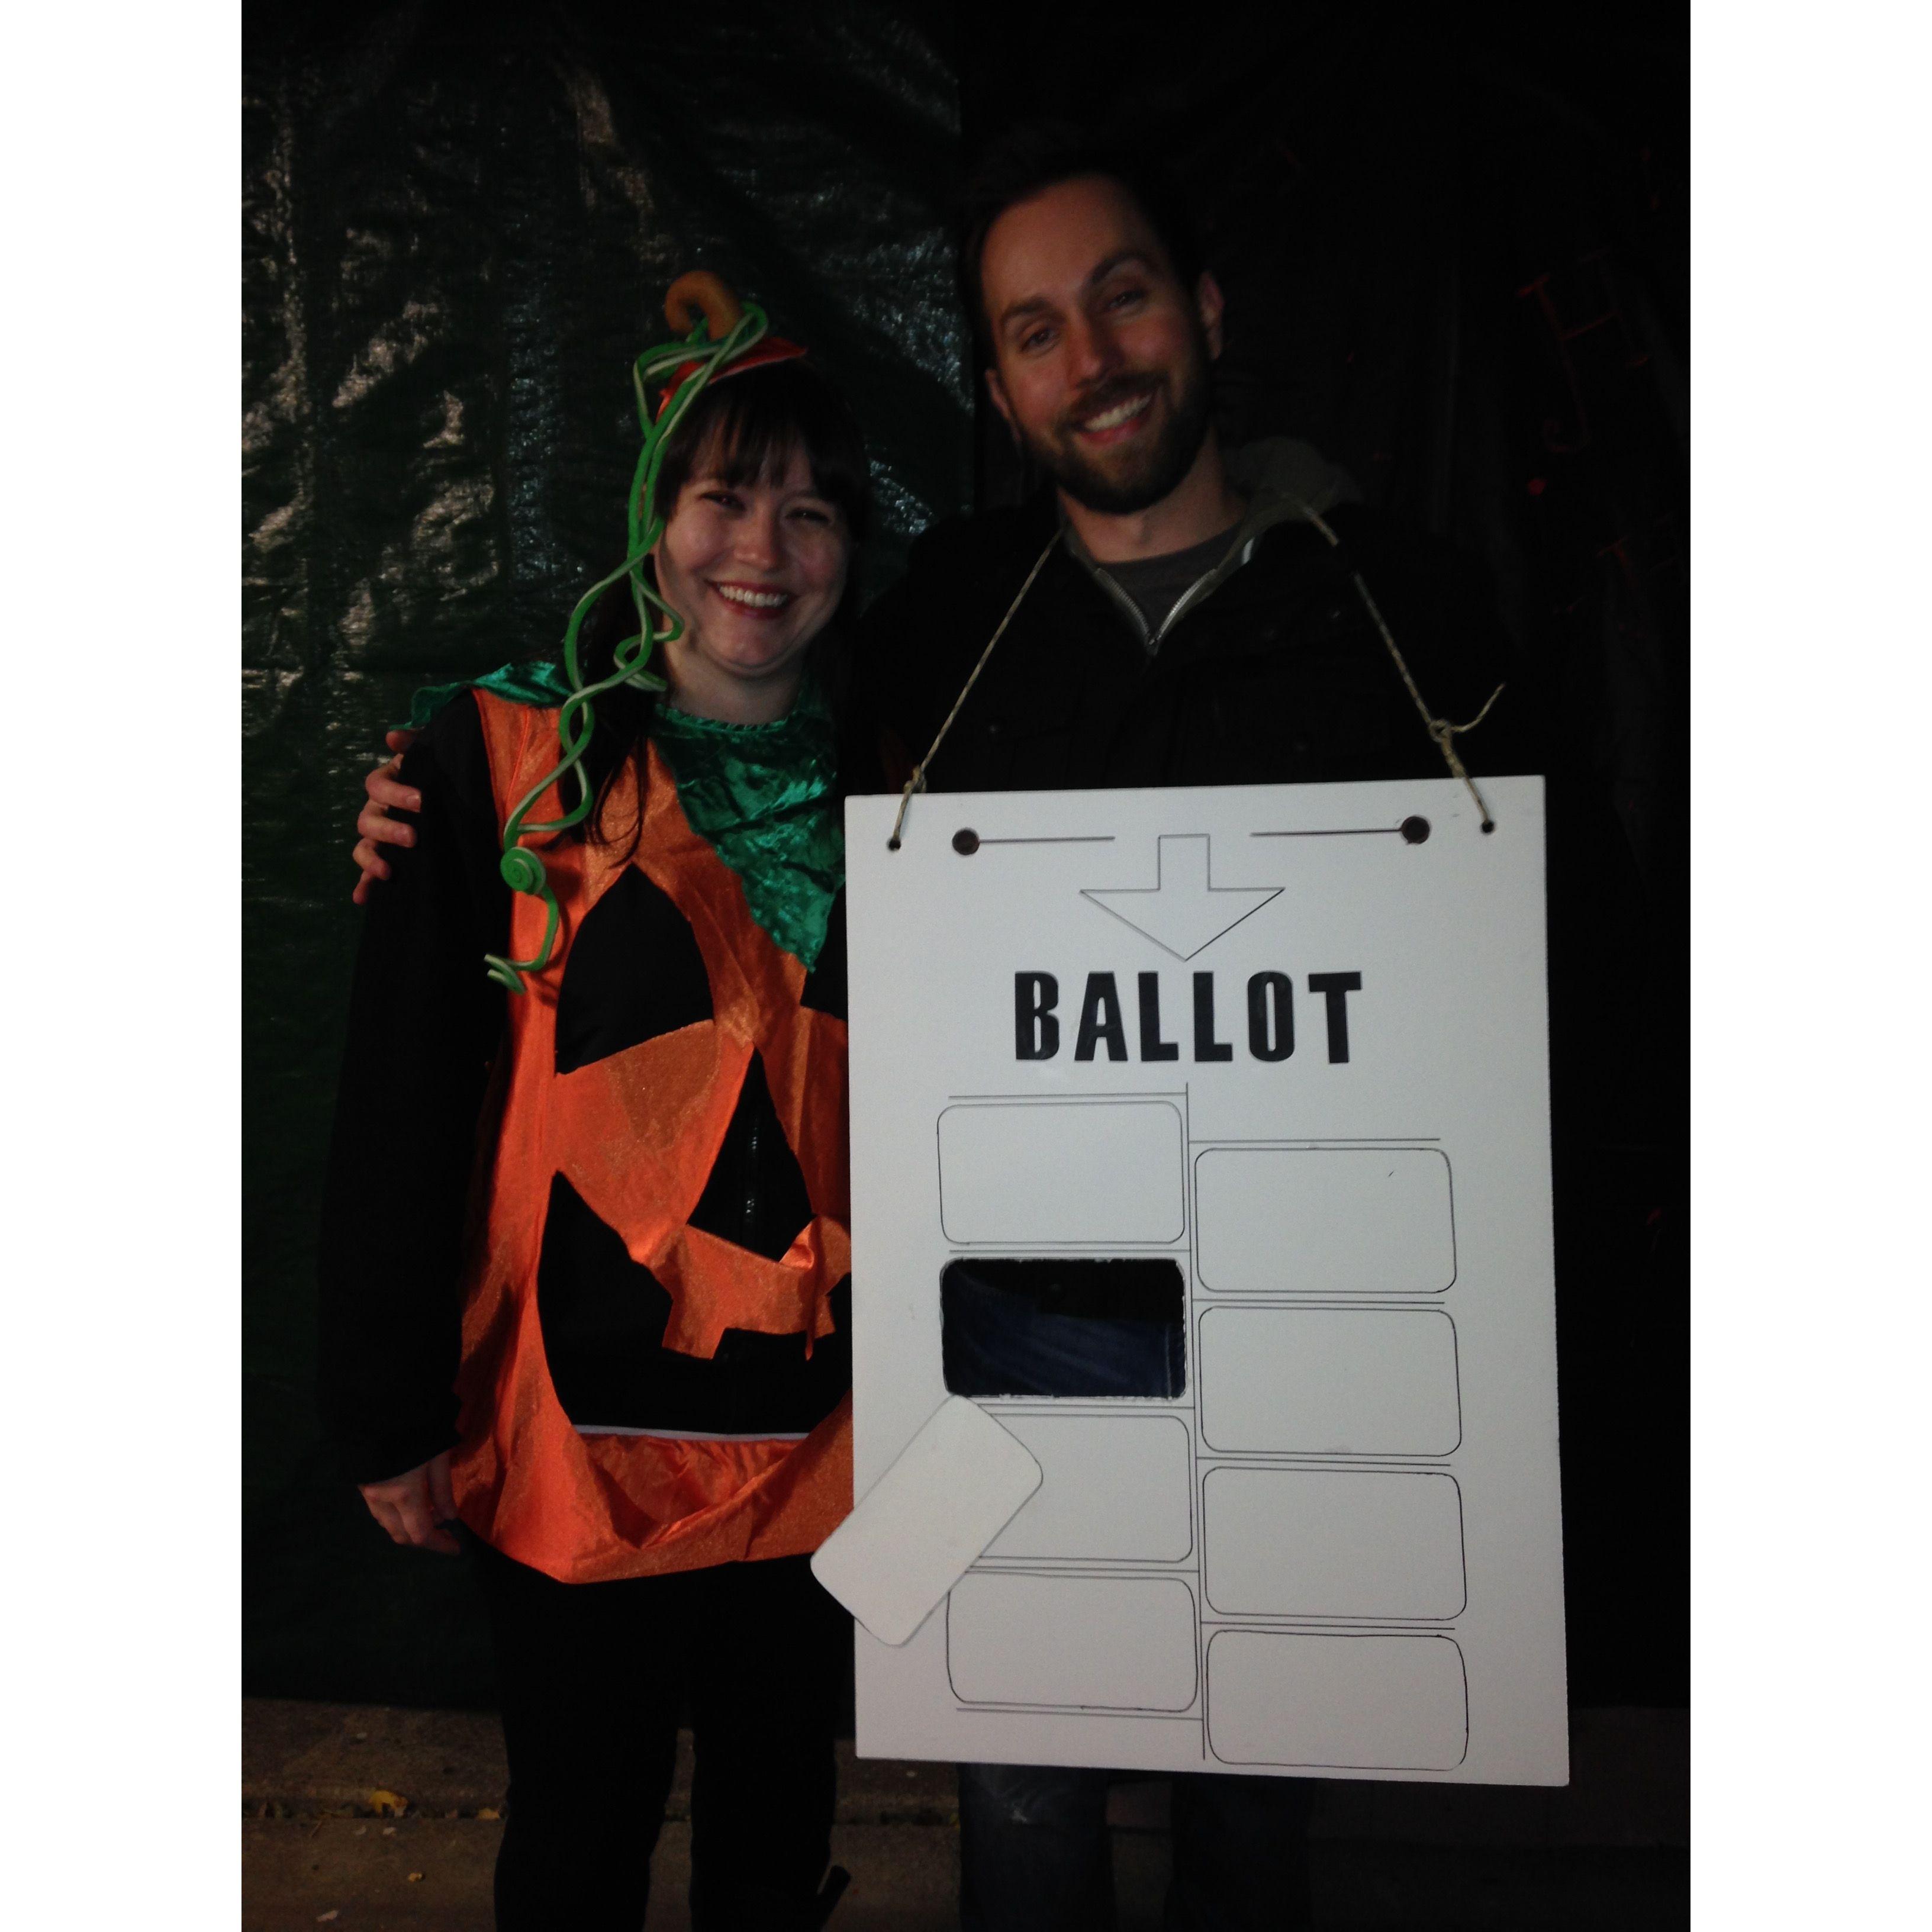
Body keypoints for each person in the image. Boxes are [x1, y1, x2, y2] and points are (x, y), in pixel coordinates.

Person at [352, 125, 1566, 1932]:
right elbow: (689, 689)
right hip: (1012, 1344)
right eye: (1033, 330)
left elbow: (1529, 963)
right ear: (996, 389)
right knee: (1020, 1785)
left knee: (1253, 1805)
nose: (1094, 360)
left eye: (1123, 299)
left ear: (1206, 307)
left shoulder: (1403, 610)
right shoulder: (958, 630)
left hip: (1316, 1309)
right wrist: (425, 804)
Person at [320, 322, 871, 1932]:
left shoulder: (914, 778)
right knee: (577, 1831)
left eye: (810, 511)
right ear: (653, 518)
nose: (762, 550)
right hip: (574, 1432)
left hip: (829, 1435)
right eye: (723, 498)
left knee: (775, 1827)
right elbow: (404, 1093)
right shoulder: (508, 765)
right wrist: (387, 1407)